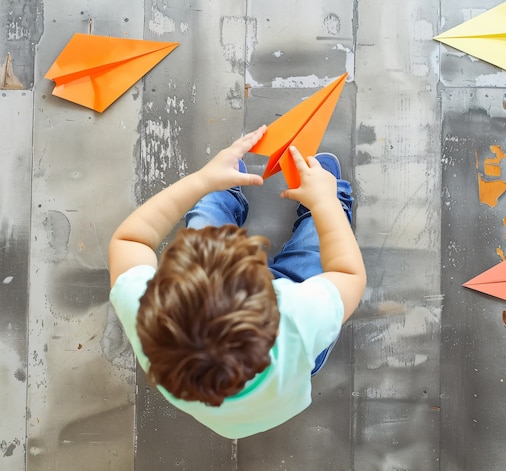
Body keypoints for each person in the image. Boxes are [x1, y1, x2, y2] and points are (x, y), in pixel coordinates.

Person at [109, 125, 366, 439]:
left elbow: (130, 240)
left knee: (207, 224)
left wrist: (202, 179)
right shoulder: (298, 321)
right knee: (313, 249)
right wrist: (325, 203)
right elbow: (347, 273)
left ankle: (220, 190)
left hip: (232, 402)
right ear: (273, 307)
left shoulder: (148, 320)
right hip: (295, 350)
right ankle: (327, 196)